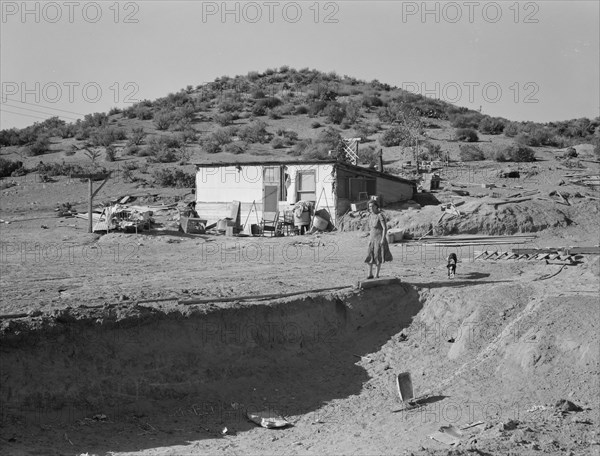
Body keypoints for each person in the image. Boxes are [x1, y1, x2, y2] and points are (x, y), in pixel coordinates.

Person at [364, 200, 393, 279]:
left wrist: (383, 239)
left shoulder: (380, 215)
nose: (371, 208)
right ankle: (370, 274)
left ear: (376, 206)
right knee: (369, 256)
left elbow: (384, 228)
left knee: (377, 257)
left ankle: (376, 275)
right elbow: (371, 228)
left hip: (379, 238)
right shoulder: (370, 215)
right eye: (370, 206)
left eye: (373, 206)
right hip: (372, 239)